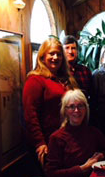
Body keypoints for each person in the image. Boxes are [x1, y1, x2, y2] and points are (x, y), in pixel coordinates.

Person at [23, 37, 77, 165]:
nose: (55, 57)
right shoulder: (35, 80)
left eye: (59, 54)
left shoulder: (64, 79)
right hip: (47, 144)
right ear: (42, 56)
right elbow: (30, 115)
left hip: (66, 141)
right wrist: (39, 143)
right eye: (51, 53)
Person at [62, 35, 94, 100]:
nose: (70, 51)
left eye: (73, 48)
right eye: (67, 48)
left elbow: (92, 95)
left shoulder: (85, 71)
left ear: (77, 51)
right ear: (62, 51)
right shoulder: (58, 71)